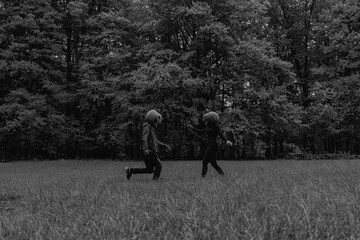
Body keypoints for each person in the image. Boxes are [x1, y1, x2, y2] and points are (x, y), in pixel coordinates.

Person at [126, 110, 171, 180]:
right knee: (159, 166)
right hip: (150, 150)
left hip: (150, 150)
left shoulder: (152, 128)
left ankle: (130, 170)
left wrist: (163, 145)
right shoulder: (147, 126)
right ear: (153, 119)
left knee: (150, 169)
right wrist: (145, 149)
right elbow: (144, 138)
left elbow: (155, 141)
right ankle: (155, 182)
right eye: (157, 120)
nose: (158, 122)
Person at [188, 111, 233, 177]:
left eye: (206, 120)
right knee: (213, 163)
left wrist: (226, 141)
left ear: (211, 120)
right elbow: (201, 132)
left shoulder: (216, 126)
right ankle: (223, 175)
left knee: (204, 161)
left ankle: (203, 177)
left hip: (213, 145)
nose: (205, 121)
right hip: (209, 145)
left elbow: (220, 134)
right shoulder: (208, 126)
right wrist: (192, 128)